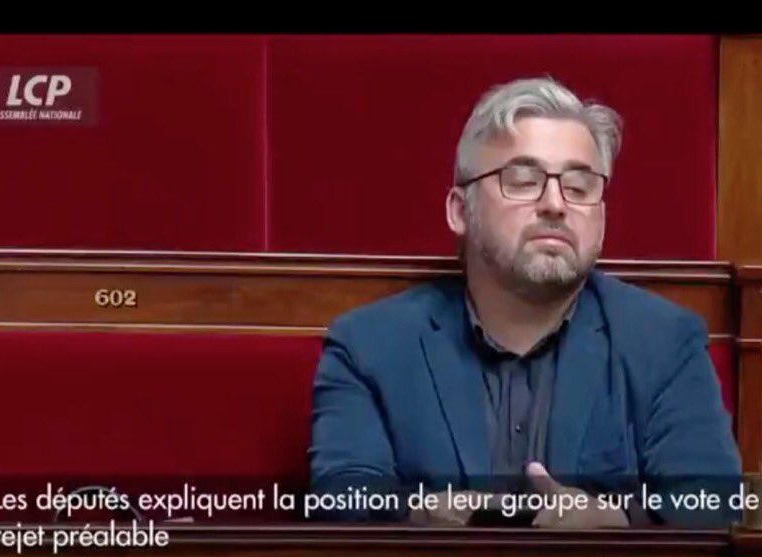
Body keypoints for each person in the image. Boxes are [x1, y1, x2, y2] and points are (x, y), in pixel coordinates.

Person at [308, 77, 740, 528]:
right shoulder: (369, 346)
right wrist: (416, 514)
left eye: (579, 187)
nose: (555, 204)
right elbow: (341, 498)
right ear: (460, 210)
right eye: (523, 181)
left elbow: (716, 504)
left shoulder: (664, 343)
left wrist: (617, 521)